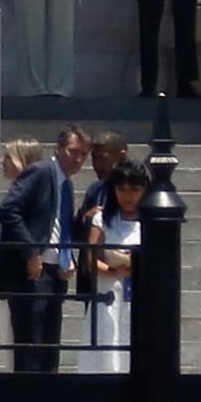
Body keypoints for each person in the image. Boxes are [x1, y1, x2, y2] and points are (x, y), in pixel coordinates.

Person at [0, 127, 87, 402]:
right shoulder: (41, 172)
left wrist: (67, 256)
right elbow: (9, 210)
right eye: (73, 152)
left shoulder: (66, 183)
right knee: (30, 351)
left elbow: (59, 225)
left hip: (54, 274)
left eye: (83, 155)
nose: (78, 160)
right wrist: (31, 252)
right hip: (30, 274)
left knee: (49, 352)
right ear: (59, 149)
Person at [77, 157, 147, 379]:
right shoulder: (103, 219)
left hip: (138, 295)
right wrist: (111, 271)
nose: (128, 196)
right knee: (105, 350)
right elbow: (89, 257)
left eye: (134, 190)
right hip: (108, 292)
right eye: (122, 189)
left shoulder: (150, 221)